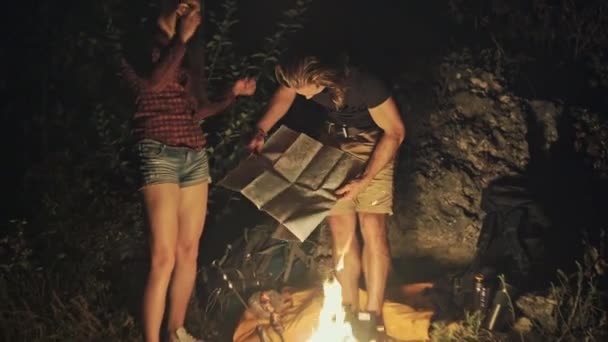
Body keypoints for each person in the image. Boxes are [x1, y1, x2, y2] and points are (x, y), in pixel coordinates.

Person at [121, 1, 256, 341]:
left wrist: (231, 95)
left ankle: (176, 330)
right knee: (163, 256)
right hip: (157, 151)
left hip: (193, 154)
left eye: (195, 6)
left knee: (188, 251)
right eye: (183, 2)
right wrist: (180, 40)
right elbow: (151, 85)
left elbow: (198, 109)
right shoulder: (139, 45)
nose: (188, 9)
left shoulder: (190, 55)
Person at [248, 54, 405, 340]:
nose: (302, 97)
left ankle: (371, 316)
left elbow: (395, 132)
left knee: (372, 227)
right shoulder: (303, 82)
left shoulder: (366, 84)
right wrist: (261, 130)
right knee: (340, 231)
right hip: (334, 143)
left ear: (321, 77)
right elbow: (284, 96)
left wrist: (365, 178)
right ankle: (346, 309)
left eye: (305, 91)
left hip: (374, 143)